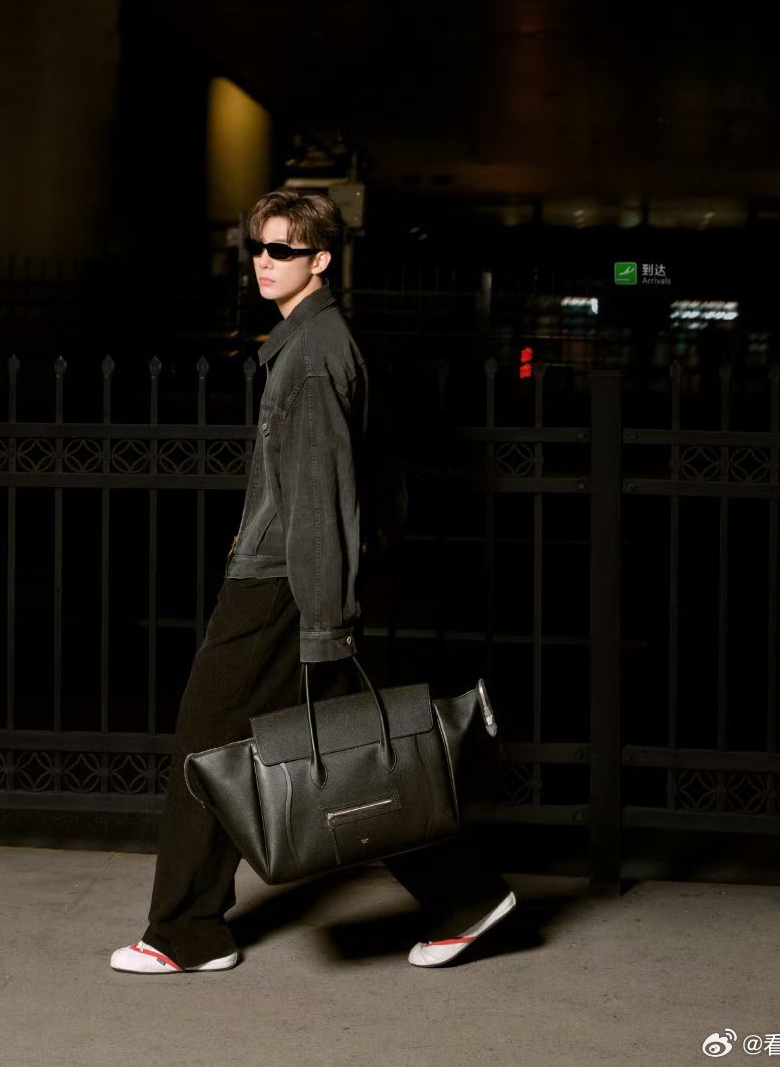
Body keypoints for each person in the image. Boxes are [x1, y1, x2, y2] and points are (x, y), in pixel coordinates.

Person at [111, 190, 515, 975]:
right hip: (287, 577)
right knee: (350, 745)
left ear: (320, 259)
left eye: (283, 250)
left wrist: (327, 621)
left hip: (280, 584)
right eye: (258, 248)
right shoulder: (305, 344)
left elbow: (325, 499)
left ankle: (188, 932)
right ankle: (464, 895)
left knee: (208, 742)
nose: (264, 263)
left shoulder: (315, 355)